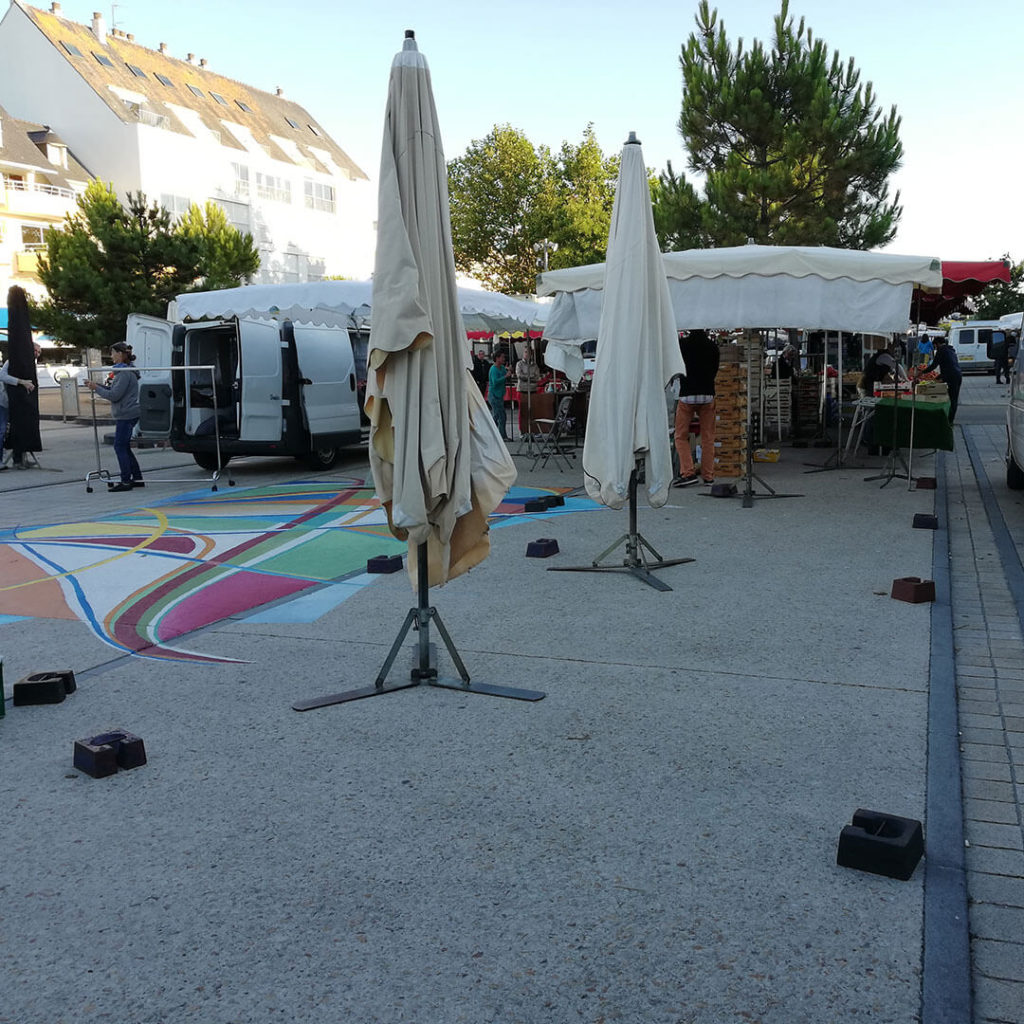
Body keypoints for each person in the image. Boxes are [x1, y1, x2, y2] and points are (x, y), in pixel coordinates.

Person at [86, 341, 144, 491]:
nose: (111, 356)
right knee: (124, 446)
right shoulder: (126, 371)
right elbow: (114, 390)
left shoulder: (124, 373)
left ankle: (126, 481)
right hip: (128, 412)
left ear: (120, 354)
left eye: (112, 353)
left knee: (119, 447)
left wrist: (96, 388)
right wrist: (98, 386)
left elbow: (114, 395)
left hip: (126, 413)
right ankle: (137, 479)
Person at [673, 328, 720, 486]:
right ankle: (708, 475)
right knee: (708, 437)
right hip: (707, 394)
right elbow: (715, 370)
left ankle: (688, 472)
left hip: (687, 395)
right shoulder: (713, 346)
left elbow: (676, 367)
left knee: (681, 436)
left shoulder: (682, 345)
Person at [0, 351, 37, 470]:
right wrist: (21, 382)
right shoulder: (12, 362)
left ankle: (20, 458)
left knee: (19, 428)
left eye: (39, 352)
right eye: (35, 351)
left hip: (17, 402)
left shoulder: (30, 363)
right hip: (4, 401)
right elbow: (2, 376)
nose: (37, 354)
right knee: (2, 429)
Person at [914, 335, 963, 424]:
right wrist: (938, 377)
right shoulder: (951, 350)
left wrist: (922, 372)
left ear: (938, 344)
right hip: (957, 375)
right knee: (954, 397)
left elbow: (934, 365)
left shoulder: (941, 350)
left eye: (935, 346)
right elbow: (949, 365)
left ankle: (950, 420)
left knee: (952, 398)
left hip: (952, 376)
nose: (935, 348)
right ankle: (950, 418)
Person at [514, 342, 540, 435]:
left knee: (533, 411)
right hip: (522, 390)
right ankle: (523, 431)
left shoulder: (535, 365)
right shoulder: (519, 364)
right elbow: (519, 375)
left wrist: (527, 377)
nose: (526, 354)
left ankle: (532, 430)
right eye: (525, 352)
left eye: (528, 352)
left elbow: (537, 378)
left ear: (531, 354)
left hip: (532, 390)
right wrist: (530, 377)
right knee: (523, 412)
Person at [487, 349, 509, 440]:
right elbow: (495, 381)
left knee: (499, 415)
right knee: (499, 415)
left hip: (500, 395)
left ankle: (499, 434)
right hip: (494, 395)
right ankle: (499, 435)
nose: (504, 359)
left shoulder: (502, 368)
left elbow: (505, 376)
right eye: (502, 357)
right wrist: (505, 376)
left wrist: (508, 373)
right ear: (497, 358)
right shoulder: (493, 369)